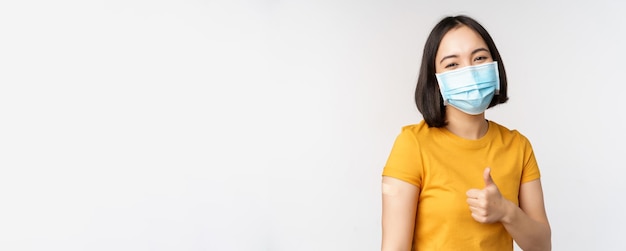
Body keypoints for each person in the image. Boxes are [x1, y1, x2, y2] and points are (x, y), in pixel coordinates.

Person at [380, 15, 551, 251]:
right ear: (436, 80)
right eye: (452, 64)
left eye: (479, 58)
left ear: (495, 65)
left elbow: (542, 246)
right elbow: (394, 247)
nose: (469, 71)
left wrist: (506, 211)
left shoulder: (518, 146)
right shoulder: (412, 145)